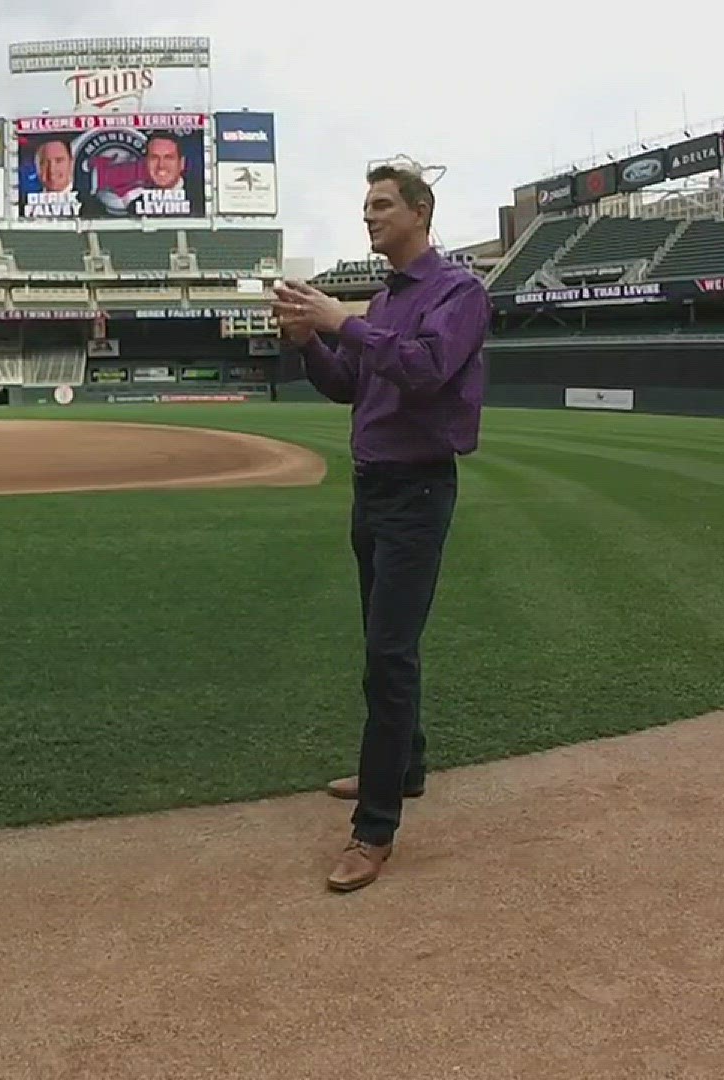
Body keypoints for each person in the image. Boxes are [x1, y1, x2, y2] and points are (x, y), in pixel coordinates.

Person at [271, 162, 490, 893]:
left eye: (382, 205)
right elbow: (347, 386)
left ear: (420, 212)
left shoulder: (457, 292)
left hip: (418, 492)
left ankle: (374, 828)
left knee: (388, 655)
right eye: (365, 205)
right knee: (384, 640)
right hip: (372, 492)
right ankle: (407, 765)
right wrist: (309, 339)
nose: (369, 216)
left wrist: (345, 323)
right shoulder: (385, 298)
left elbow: (426, 370)